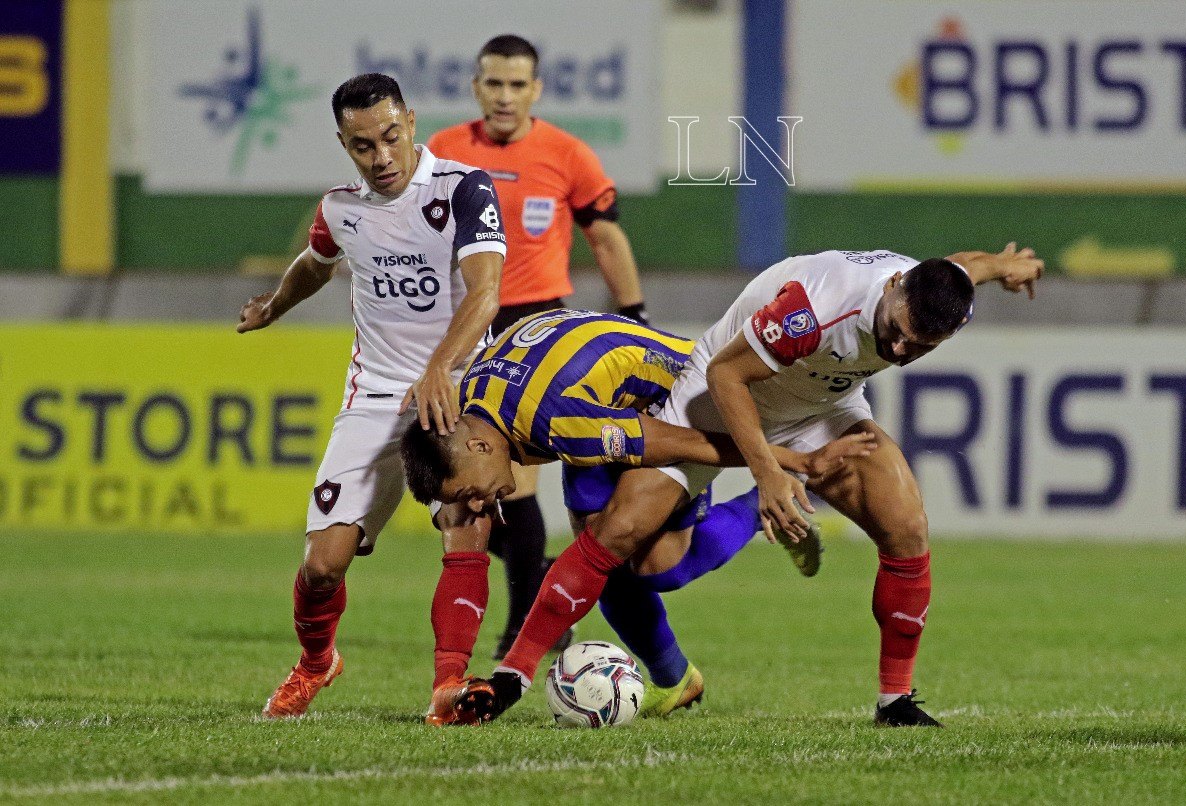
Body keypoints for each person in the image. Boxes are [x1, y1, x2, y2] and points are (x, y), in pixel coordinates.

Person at [449, 244, 1044, 727]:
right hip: (715, 402)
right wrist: (767, 471)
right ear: (892, 290)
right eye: (896, 333)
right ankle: (512, 677)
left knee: (908, 529)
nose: (898, 349)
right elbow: (726, 373)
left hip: (822, 406)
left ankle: (895, 701)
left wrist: (1001, 267)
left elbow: (964, 267)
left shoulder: (933, 296)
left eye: (918, 347)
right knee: (631, 543)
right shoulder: (813, 308)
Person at [398, 308, 875, 724]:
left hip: (680, 400)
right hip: (598, 404)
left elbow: (678, 441)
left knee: (650, 562)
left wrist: (782, 463)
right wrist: (449, 683)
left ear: (480, 446)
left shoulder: (558, 421)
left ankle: (759, 507)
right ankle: (675, 680)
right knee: (595, 558)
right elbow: (464, 544)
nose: (480, 503)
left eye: (471, 491)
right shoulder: (463, 414)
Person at [239, 72, 508, 719]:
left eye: (391, 137)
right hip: (375, 399)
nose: (382, 156)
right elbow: (315, 260)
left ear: (411, 122)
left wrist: (441, 366)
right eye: (363, 146)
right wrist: (276, 305)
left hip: (458, 391)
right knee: (322, 566)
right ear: (344, 143)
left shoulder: (463, 188)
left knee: (466, 522)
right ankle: (315, 664)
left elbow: (485, 292)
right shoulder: (341, 209)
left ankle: (448, 686)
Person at [428, 34, 649, 658]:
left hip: (533, 329)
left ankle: (523, 624)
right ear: (476, 87)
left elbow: (605, 237)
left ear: (536, 89)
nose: (504, 96)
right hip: (466, 326)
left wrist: (633, 314)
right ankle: (541, 574)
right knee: (463, 486)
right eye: (493, 84)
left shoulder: (566, 154)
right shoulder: (443, 152)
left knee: (515, 484)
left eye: (516, 84)